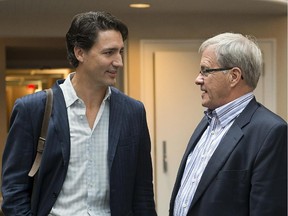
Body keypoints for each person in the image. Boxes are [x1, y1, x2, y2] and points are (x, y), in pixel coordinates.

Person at [2, 11, 157, 216]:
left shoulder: (132, 112)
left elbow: (142, 193)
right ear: (80, 53)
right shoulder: (33, 109)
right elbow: (14, 190)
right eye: (109, 53)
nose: (119, 61)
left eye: (121, 52)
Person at [169, 32, 287, 216]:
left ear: (234, 76)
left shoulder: (270, 132)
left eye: (205, 71)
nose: (198, 79)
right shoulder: (207, 122)